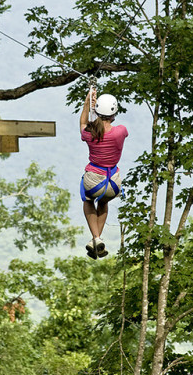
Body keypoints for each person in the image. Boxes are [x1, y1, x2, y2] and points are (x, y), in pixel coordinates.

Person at [79, 89, 128, 259]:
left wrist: (87, 103)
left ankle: (96, 237)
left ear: (98, 111)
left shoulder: (90, 134)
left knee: (88, 200)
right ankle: (96, 241)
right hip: (113, 182)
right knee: (104, 202)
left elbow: (83, 124)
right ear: (114, 113)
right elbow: (107, 127)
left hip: (94, 180)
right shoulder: (121, 131)